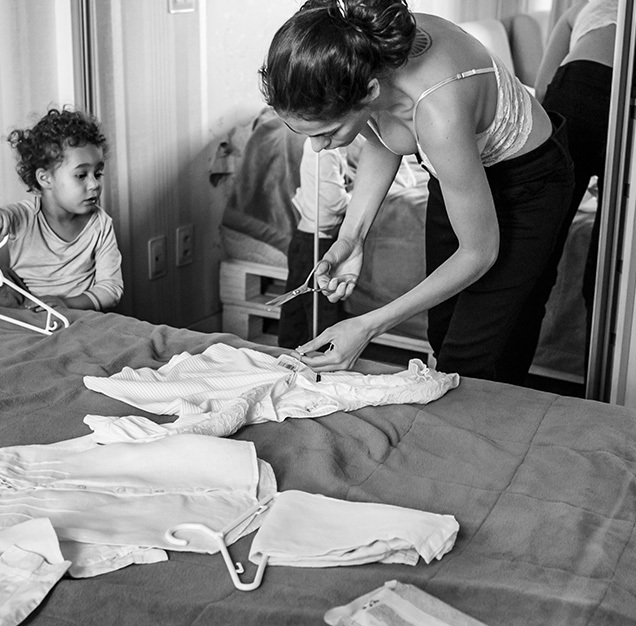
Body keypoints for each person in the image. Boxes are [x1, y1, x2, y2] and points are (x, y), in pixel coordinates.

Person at [260, 0, 575, 383]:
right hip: (456, 170)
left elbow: (479, 251)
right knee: (442, 332)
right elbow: (384, 137)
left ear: (370, 90)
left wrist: (369, 326)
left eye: (326, 133)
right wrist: (351, 237)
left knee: (473, 354)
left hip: (530, 185)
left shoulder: (439, 110)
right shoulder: (364, 52)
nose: (317, 148)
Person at [0, 108, 123, 312]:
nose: (94, 184)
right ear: (45, 178)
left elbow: (111, 289)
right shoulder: (23, 218)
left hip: (82, 319)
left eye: (98, 173)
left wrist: (66, 304)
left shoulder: (101, 225)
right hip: (33, 321)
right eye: (81, 175)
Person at [534, 0, 617, 316]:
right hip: (635, 100)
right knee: (610, 264)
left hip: (578, 85)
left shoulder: (583, 8)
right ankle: (600, 360)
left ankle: (506, 365)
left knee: (540, 249)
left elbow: (542, 89)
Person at [279, 140, 351, 350]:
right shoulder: (325, 152)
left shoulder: (320, 148)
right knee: (320, 305)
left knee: (297, 305)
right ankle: (321, 354)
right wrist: (360, 197)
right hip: (316, 240)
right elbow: (334, 201)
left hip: (306, 237)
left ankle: (290, 348)